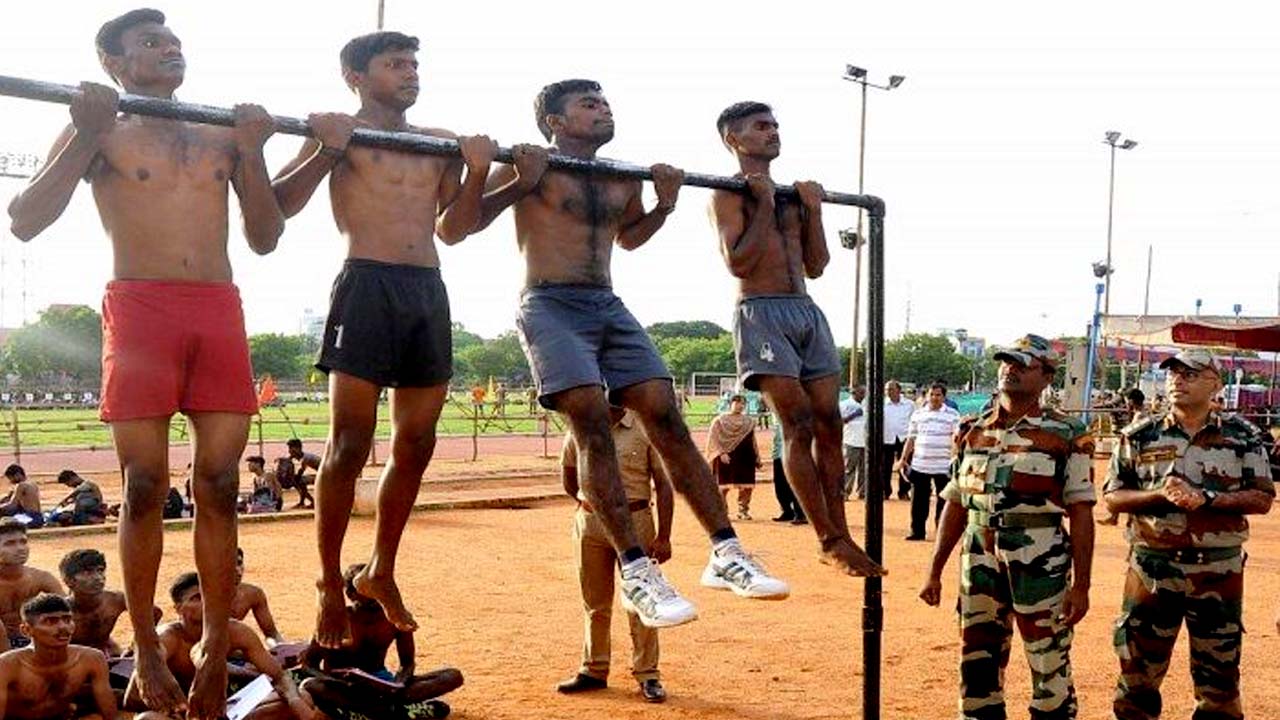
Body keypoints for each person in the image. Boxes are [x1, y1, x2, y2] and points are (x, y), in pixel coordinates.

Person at [7, 9, 285, 718]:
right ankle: (152, 652)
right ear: (114, 62)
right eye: (150, 43)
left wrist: (253, 152)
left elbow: (265, 236)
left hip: (217, 307)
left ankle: (219, 647)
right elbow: (26, 217)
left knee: (219, 484)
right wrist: (89, 130)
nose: (170, 50)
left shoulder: (219, 130)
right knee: (143, 484)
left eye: (174, 40)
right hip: (140, 309)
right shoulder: (99, 126)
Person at [454, 79, 789, 626]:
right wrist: (520, 182)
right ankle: (635, 569)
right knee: (589, 415)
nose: (605, 110)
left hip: (606, 302)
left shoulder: (619, 176)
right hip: (548, 301)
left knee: (665, 414)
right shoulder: (524, 162)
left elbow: (629, 238)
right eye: (590, 104)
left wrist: (664, 204)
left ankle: (725, 552)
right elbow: (457, 226)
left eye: (607, 102)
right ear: (555, 121)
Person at [271, 30, 497, 648]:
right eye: (395, 64)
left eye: (414, 64)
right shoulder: (338, 132)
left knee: (417, 440)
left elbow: (454, 229)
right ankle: (325, 583)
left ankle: (381, 568)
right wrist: (325, 149)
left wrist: (475, 170)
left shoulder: (438, 144)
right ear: (356, 76)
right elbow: (278, 205)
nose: (410, 72)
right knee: (348, 442)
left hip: (427, 287)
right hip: (366, 284)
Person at [707, 100, 884, 577]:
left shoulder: (791, 195)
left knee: (830, 422)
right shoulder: (727, 194)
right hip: (761, 310)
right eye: (761, 127)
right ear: (734, 139)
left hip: (805, 309)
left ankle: (841, 534)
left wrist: (813, 210)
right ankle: (825, 536)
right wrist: (762, 202)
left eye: (775, 125)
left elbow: (818, 265)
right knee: (799, 424)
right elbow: (739, 262)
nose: (773, 132)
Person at [919, 334, 1095, 720]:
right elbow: (955, 502)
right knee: (976, 656)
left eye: (1022, 363)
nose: (1009, 368)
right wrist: (935, 570)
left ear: (1047, 376)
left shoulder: (1067, 433)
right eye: (1006, 361)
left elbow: (1081, 512)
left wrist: (1081, 586)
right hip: (979, 560)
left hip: (1041, 559)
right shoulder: (972, 429)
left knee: (1048, 657)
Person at [1104, 349, 1273, 720]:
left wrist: (1207, 498)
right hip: (1151, 570)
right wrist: (1158, 496)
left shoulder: (1242, 436)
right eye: (1173, 373)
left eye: (1191, 374)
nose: (1178, 380)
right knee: (1137, 679)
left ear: (1215, 383)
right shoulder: (1139, 434)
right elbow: (1113, 496)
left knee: (1219, 680)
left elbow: (1263, 498)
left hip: (1218, 572)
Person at [557, 407, 673, 703]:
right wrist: (591, 506)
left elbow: (663, 483)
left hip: (635, 523)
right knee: (594, 602)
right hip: (590, 523)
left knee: (643, 602)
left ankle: (648, 674)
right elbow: (569, 476)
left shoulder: (645, 428)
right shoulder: (580, 427)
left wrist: (664, 536)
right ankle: (593, 669)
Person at [132, 573, 316, 720]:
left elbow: (279, 676)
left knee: (302, 698)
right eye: (197, 597)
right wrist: (176, 709)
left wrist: (293, 700)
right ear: (178, 608)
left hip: (228, 709)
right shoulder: (166, 638)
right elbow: (132, 696)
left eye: (209, 596)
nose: (206, 603)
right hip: (181, 713)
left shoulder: (236, 631)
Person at [299, 563, 461, 720]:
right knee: (311, 685)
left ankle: (371, 713)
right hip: (344, 689)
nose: (374, 595)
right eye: (368, 590)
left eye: (377, 589)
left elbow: (407, 663)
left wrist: (398, 684)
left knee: (452, 676)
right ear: (350, 593)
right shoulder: (334, 621)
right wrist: (336, 682)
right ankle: (397, 712)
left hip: (383, 686)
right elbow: (309, 664)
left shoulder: (395, 618)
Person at [0, 593, 118, 720]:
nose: (63, 627)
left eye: (67, 619)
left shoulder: (92, 659)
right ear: (26, 630)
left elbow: (110, 716)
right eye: (50, 621)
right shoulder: (7, 666)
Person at [897, 382, 961, 541]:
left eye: (938, 395)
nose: (934, 398)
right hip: (920, 464)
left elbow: (956, 440)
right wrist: (903, 459)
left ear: (944, 397)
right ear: (926, 396)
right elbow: (911, 439)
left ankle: (942, 532)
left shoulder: (953, 415)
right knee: (918, 501)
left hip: (943, 465)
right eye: (931, 394)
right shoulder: (918, 414)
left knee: (944, 501)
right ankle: (917, 531)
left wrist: (955, 458)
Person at [0, 519, 65, 650]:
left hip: (28, 641)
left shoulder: (41, 578)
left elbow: (68, 609)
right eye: (10, 544)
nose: (20, 548)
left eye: (23, 542)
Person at [59, 549, 129, 657]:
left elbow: (154, 612)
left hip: (107, 656)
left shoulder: (116, 600)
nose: (97, 577)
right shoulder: (58, 611)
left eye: (100, 570)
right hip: (71, 662)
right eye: (87, 572)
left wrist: (135, 645)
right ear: (69, 581)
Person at [705, 395, 761, 521]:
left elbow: (752, 440)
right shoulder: (720, 421)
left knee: (747, 486)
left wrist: (757, 457)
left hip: (746, 456)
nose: (740, 406)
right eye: (737, 403)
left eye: (742, 403)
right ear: (730, 404)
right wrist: (721, 453)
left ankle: (743, 510)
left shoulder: (749, 422)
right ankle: (722, 512)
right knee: (723, 486)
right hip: (726, 456)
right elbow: (713, 439)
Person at [231, 549, 285, 649]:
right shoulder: (203, 596)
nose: (237, 569)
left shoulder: (253, 594)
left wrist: (282, 648)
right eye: (229, 564)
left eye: (239, 563)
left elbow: (271, 634)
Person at [881, 381, 915, 500]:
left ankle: (904, 492)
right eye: (886, 389)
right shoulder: (882, 404)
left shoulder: (909, 404)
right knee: (885, 467)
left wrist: (913, 439)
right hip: (886, 437)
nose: (888, 392)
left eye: (890, 389)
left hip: (904, 438)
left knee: (905, 465)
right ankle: (885, 491)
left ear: (898, 390)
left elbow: (913, 421)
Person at [769, 415, 805, 524]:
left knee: (795, 485)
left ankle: (801, 514)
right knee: (780, 486)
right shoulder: (776, 418)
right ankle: (787, 511)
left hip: (793, 456)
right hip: (778, 455)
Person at [841, 386, 867, 500]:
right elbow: (840, 421)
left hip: (866, 441)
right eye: (860, 392)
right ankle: (845, 492)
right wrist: (854, 414)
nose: (863, 395)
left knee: (864, 469)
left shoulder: (867, 404)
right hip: (851, 441)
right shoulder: (844, 404)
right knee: (849, 468)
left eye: (864, 393)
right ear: (853, 392)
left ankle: (863, 492)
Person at [283, 440, 317, 509]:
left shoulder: (306, 458)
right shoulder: (304, 456)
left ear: (298, 448)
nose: (289, 451)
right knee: (298, 481)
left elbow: (301, 471)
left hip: (325, 477)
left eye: (291, 448)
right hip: (321, 474)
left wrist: (294, 479)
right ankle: (304, 502)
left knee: (299, 482)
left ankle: (311, 502)